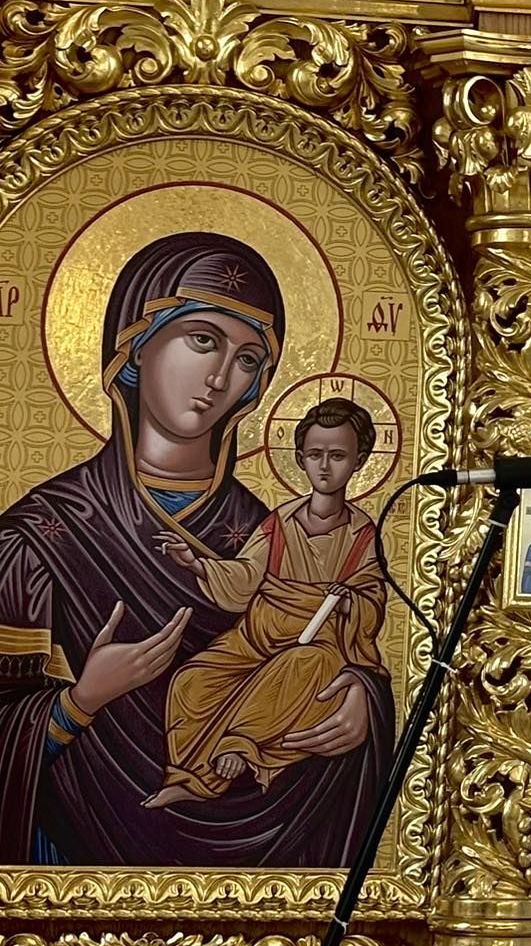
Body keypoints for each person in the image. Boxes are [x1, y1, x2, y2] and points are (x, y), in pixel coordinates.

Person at [0, 233, 394, 865]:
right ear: (136, 344)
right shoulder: (41, 537)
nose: (218, 378)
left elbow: (335, 636)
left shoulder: (269, 529)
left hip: (266, 874)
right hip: (71, 865)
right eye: (203, 339)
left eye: (247, 359)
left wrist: (360, 699)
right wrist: (82, 700)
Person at [145, 397, 387, 807]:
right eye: (315, 454)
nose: (324, 466)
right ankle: (186, 777)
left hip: (319, 643)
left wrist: (350, 603)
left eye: (337, 456)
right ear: (300, 459)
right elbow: (245, 576)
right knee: (193, 679)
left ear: (359, 461)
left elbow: (373, 600)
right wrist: (196, 563)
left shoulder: (362, 536)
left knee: (301, 665)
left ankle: (240, 745)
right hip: (256, 636)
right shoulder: (280, 522)